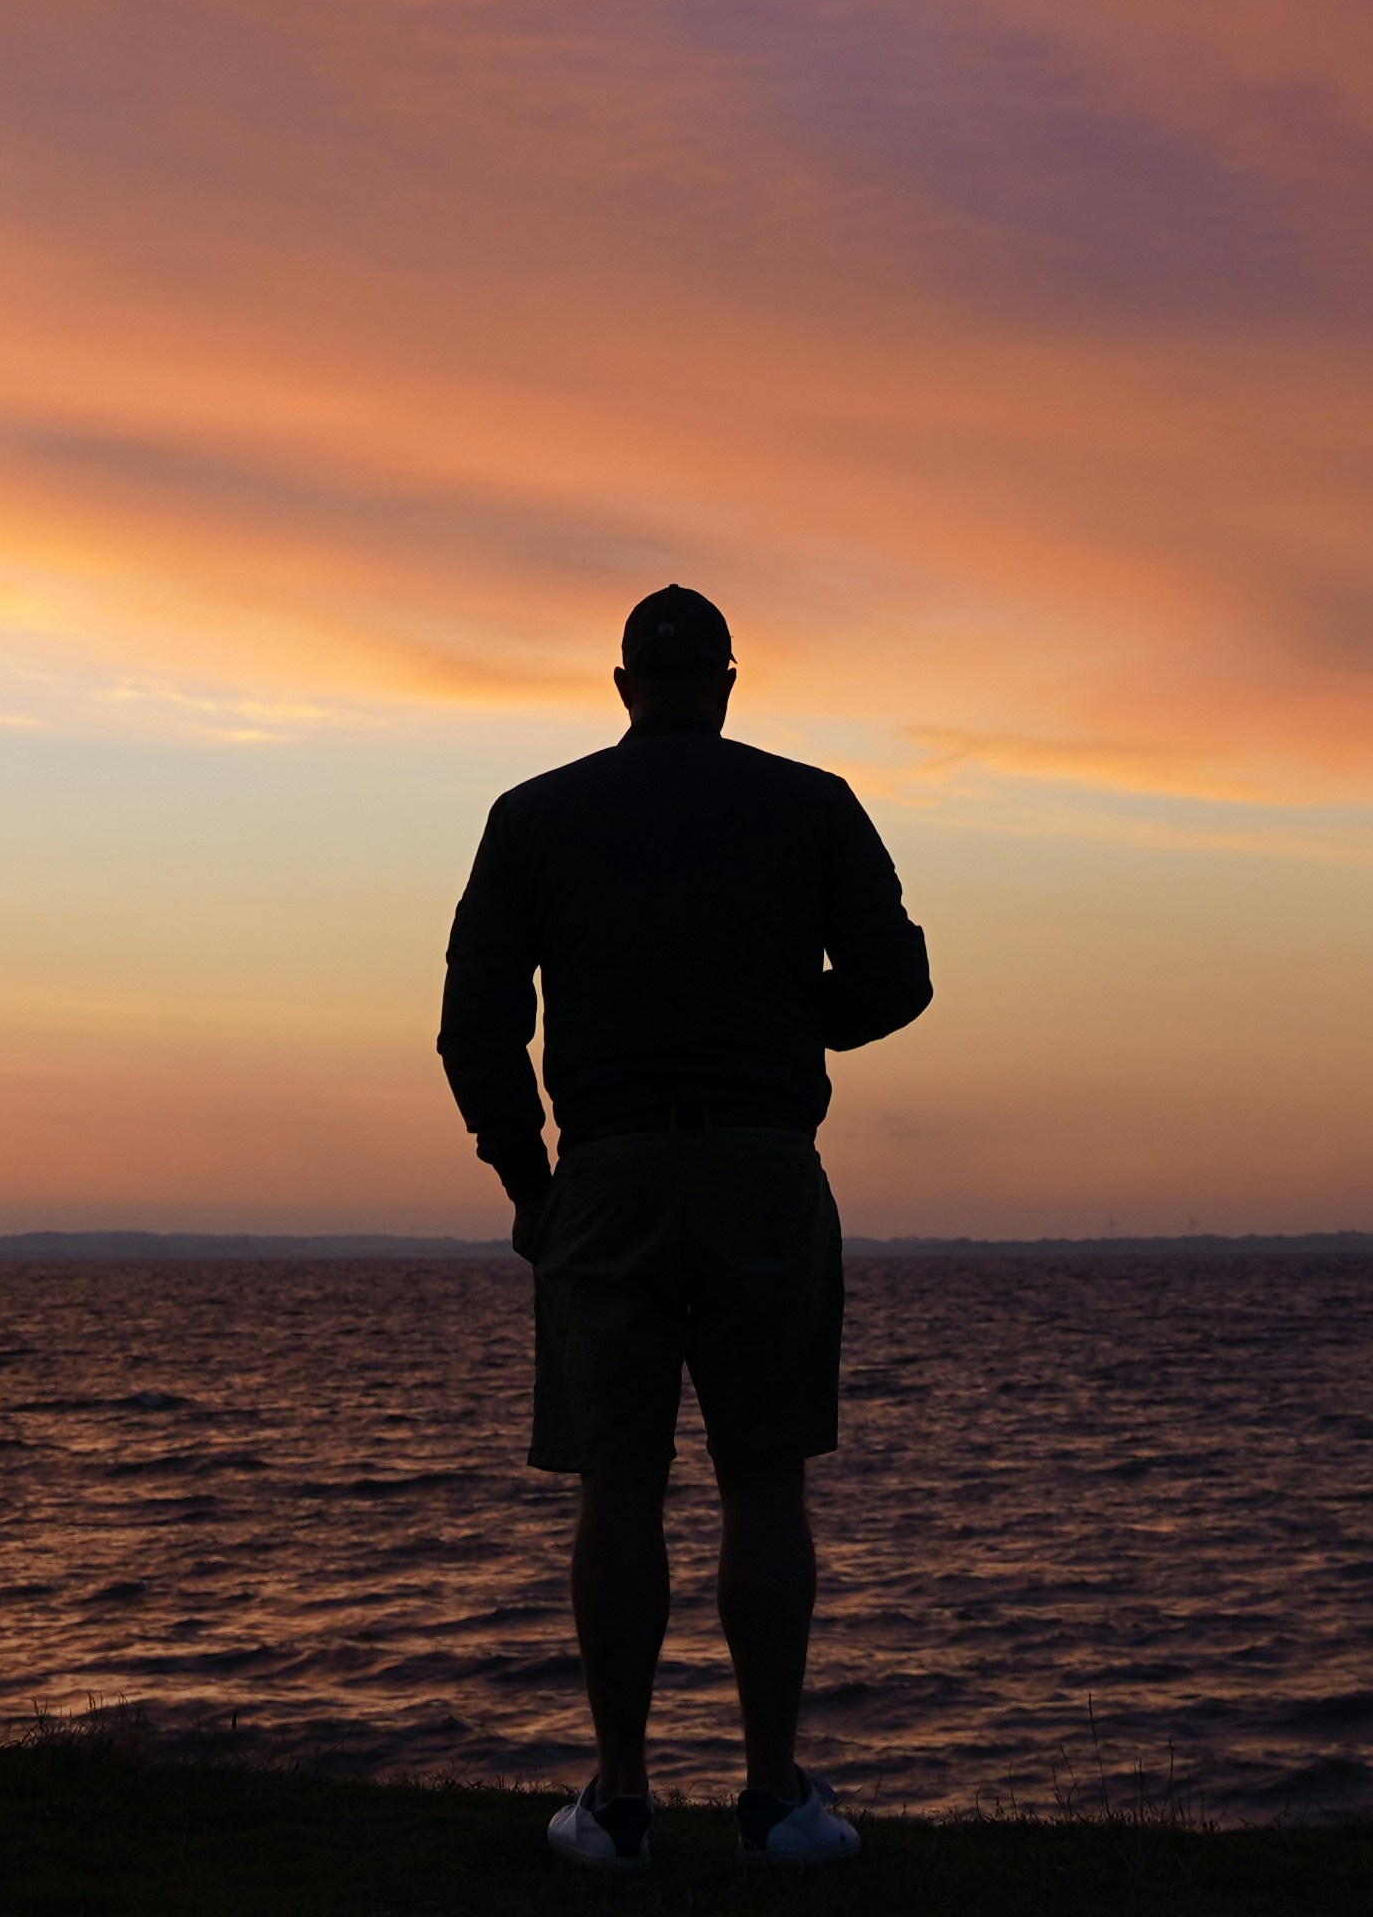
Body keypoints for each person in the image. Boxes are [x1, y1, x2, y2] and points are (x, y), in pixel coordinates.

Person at [437, 584, 933, 1872]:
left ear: (622, 687)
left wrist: (525, 1181)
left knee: (620, 1484)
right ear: (726, 680)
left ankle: (618, 1802)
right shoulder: (810, 804)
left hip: (603, 1175)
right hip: (764, 1170)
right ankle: (773, 1799)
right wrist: (780, 1021)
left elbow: (475, 1023)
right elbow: (898, 979)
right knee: (765, 1482)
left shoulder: (533, 816)